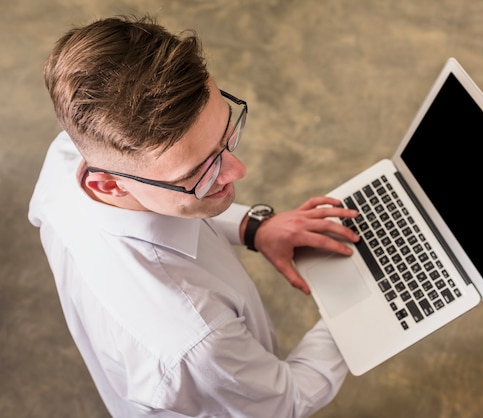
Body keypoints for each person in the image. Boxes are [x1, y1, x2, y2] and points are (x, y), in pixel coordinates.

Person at [28, 15, 360, 418]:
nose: (238, 171)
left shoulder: (70, 159)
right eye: (196, 173)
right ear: (110, 185)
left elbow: (161, 209)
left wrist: (254, 228)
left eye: (225, 134)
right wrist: (362, 308)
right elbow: (286, 401)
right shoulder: (195, 340)